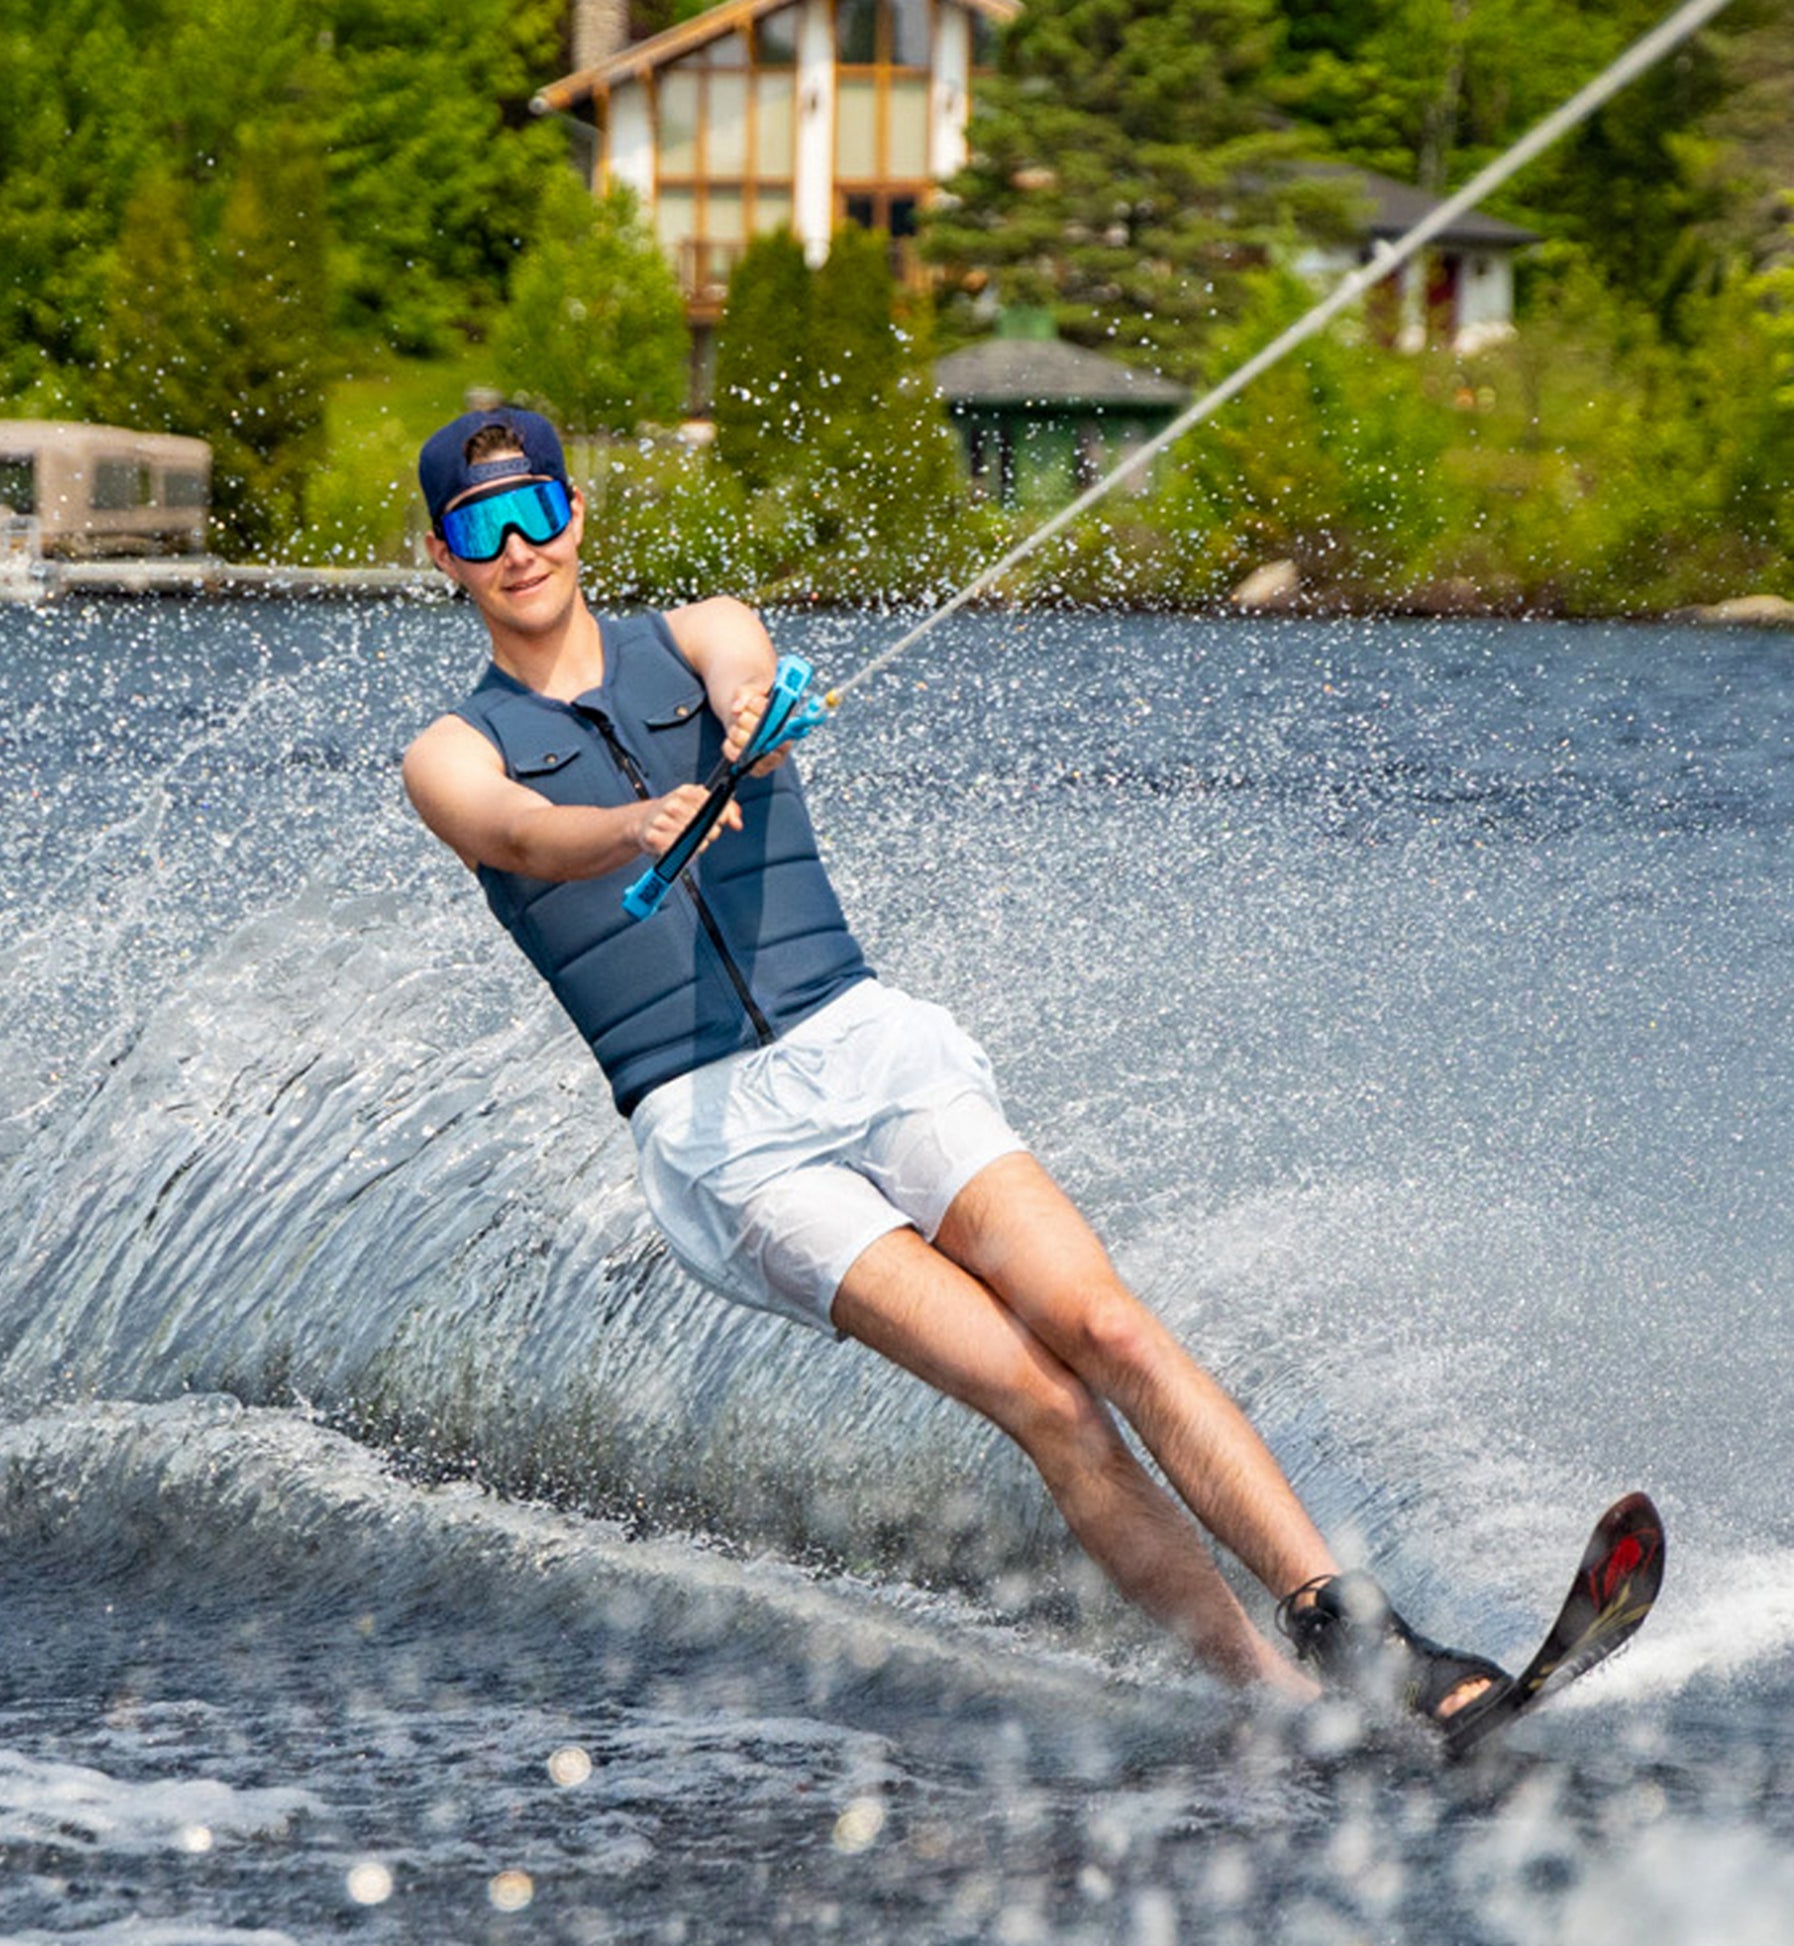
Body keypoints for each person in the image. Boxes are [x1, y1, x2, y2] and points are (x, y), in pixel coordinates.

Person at [400, 405, 1503, 1720]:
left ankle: (1359, 1641)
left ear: (577, 515)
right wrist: (634, 822)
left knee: (1099, 1322)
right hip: (722, 1135)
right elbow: (517, 833)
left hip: (864, 1045)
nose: (519, 544)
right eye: (483, 526)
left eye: (538, 511)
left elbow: (740, 651)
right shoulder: (449, 752)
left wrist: (754, 708)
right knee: (1038, 1394)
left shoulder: (694, 634)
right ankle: (1272, 1701)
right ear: (443, 556)